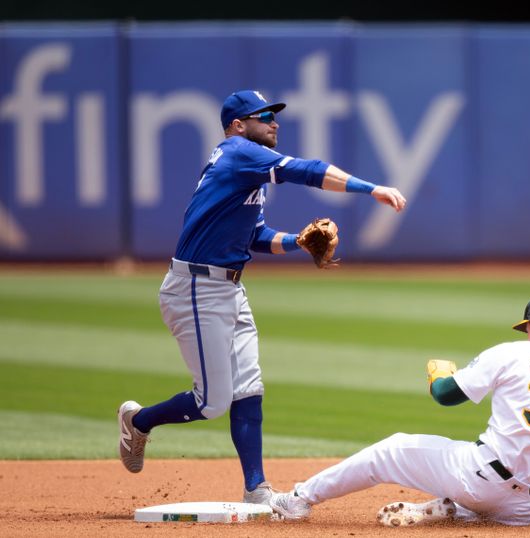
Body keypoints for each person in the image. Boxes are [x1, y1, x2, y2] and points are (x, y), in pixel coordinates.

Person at [116, 90, 407, 504]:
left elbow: (255, 237)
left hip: (229, 287)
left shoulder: (247, 169)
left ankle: (257, 489)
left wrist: (298, 242)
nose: (274, 121)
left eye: (274, 114)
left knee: (249, 387)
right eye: (263, 115)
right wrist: (370, 188)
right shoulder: (238, 152)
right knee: (212, 402)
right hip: (197, 288)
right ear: (238, 125)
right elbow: (307, 170)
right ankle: (138, 420)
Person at [268, 294, 530, 527]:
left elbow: (446, 396)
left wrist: (438, 377)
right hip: (526, 507)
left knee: (390, 449)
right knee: (486, 504)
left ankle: (299, 499)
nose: (527, 333)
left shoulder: (511, 355)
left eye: (529, 326)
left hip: (478, 477)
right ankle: (450, 510)